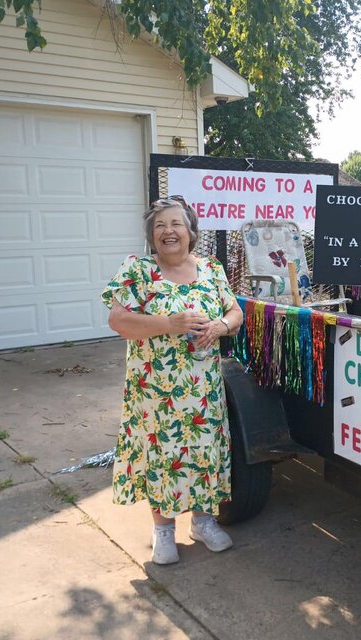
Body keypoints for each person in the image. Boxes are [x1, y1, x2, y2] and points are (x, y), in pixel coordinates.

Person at [102, 195, 243, 565]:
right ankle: (163, 530)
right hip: (155, 391)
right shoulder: (137, 271)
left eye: (176, 224)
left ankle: (202, 521)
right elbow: (118, 322)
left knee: (201, 451)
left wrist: (220, 326)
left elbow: (235, 311)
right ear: (151, 234)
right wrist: (169, 324)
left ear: (191, 231)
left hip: (202, 390)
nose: (169, 231)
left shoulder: (212, 269)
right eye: (160, 225)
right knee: (162, 455)